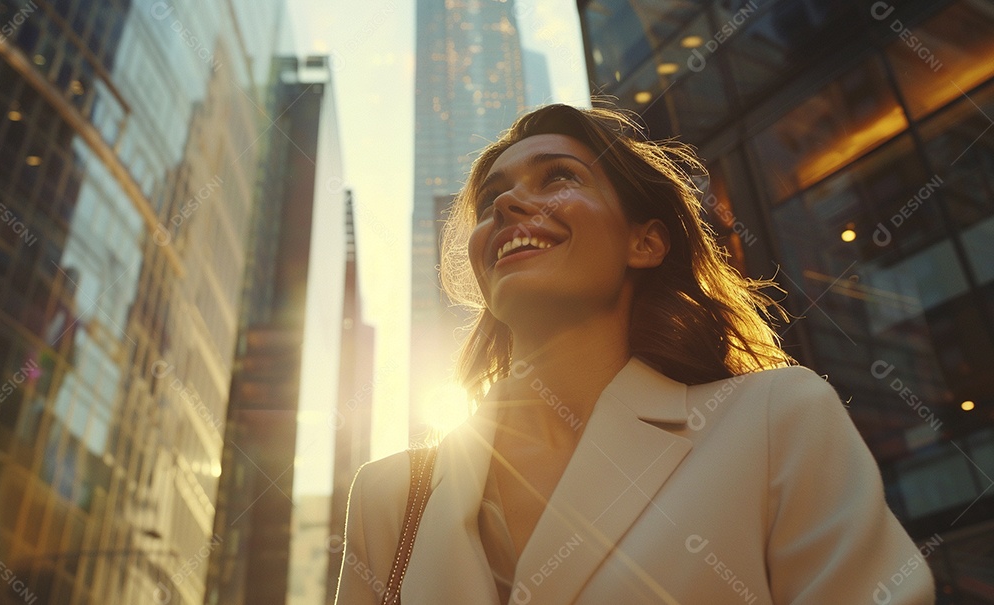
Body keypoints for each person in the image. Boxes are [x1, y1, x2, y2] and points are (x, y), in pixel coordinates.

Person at [334, 104, 936, 604]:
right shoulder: (390, 497)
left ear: (644, 242)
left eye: (559, 178)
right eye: (495, 193)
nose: (508, 205)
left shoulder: (777, 418)